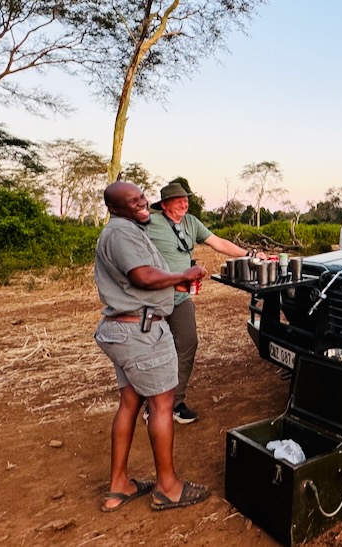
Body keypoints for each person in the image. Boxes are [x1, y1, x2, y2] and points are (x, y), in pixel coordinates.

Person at [93, 181, 210, 512]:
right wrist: (181, 275)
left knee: (130, 403)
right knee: (161, 405)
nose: (142, 203)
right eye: (133, 201)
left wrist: (176, 281)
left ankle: (119, 485)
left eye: (142, 197)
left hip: (127, 329)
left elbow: (143, 277)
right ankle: (168, 488)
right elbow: (142, 276)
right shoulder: (120, 233)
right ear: (115, 208)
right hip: (141, 332)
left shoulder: (127, 228)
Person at [147, 183, 251, 424]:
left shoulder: (191, 223)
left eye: (186, 199)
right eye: (178, 200)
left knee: (187, 344)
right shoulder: (150, 224)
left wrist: (249, 254)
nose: (184, 203)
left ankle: (174, 402)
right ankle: (151, 404)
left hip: (181, 298)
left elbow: (219, 243)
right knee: (155, 351)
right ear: (164, 205)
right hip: (153, 299)